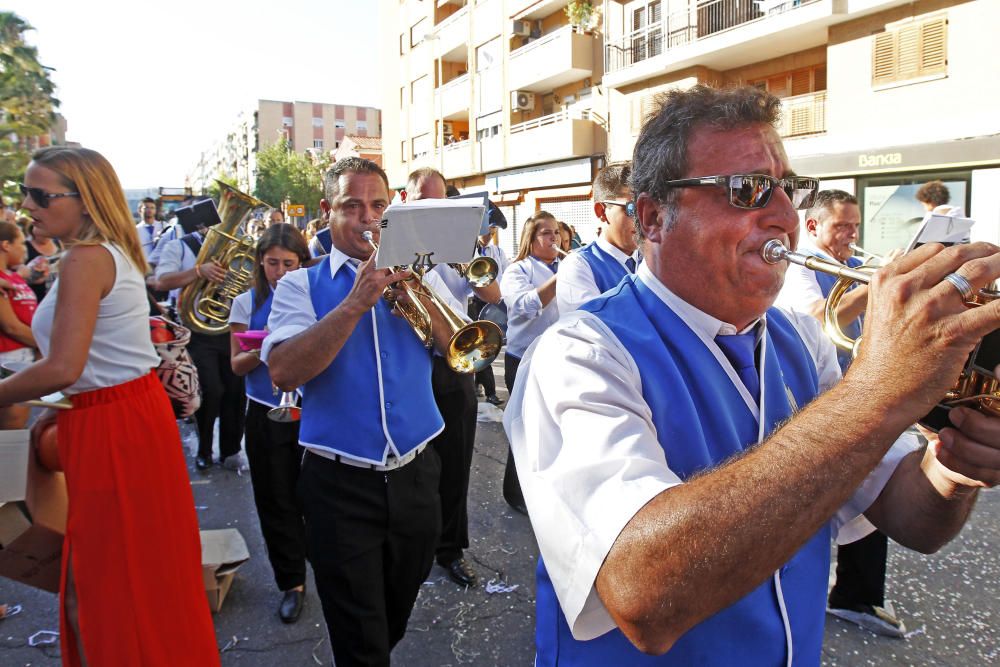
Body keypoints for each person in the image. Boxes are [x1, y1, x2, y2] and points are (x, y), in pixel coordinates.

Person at [504, 85, 1000, 665]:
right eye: (747, 191)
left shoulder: (801, 338)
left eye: (787, 188)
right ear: (653, 217)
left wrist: (959, 457)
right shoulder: (578, 351)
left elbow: (912, 517)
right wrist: (880, 388)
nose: (787, 216)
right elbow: (643, 597)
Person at [9, 146, 218, 665]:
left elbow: (63, 368)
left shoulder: (87, 258)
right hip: (118, 417)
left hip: (112, 424)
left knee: (109, 588)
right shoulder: (105, 252)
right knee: (119, 582)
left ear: (84, 199)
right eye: (24, 192)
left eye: (39, 194)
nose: (27, 205)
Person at [264, 157, 458, 666]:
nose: (367, 218)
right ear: (328, 212)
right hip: (339, 486)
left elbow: (457, 353)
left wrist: (415, 290)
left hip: (417, 475)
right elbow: (283, 371)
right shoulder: (299, 286)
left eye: (377, 206)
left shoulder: (416, 272)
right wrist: (355, 302)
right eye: (352, 207)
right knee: (363, 643)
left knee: (392, 614)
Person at [776, 189, 908, 637]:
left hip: (860, 386)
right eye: (842, 226)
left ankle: (857, 593)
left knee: (873, 489)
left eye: (855, 225)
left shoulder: (854, 265)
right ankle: (845, 593)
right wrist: (878, 285)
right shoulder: (800, 263)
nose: (852, 235)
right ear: (812, 227)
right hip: (820, 393)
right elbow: (816, 318)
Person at [401, 167, 502, 588]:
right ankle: (410, 546)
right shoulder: (395, 241)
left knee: (456, 461)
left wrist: (468, 266)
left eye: (440, 200)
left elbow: (494, 297)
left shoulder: (462, 243)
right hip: (408, 364)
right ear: (406, 200)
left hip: (456, 361)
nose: (432, 208)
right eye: (424, 200)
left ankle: (451, 550)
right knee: (410, 464)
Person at [229, 223, 311, 624]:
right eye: (273, 263)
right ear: (260, 262)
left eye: (289, 263)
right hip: (265, 410)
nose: (280, 272)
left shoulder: (313, 295)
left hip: (311, 409)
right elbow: (236, 363)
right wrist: (269, 344)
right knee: (275, 500)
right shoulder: (246, 302)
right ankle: (291, 581)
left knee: (318, 497)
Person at [154, 201, 245, 471]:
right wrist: (197, 272)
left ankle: (231, 450)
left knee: (235, 392)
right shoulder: (178, 247)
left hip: (229, 327)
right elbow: (161, 281)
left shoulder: (235, 246)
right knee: (211, 390)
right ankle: (205, 448)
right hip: (198, 330)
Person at [499, 211, 562, 514]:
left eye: (557, 233)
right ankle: (515, 492)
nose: (555, 239)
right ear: (532, 239)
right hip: (524, 357)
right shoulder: (517, 271)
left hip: (559, 356)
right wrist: (561, 278)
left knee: (554, 427)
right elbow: (524, 307)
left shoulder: (564, 266)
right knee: (524, 427)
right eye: (547, 233)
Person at [556, 162, 641, 314]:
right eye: (632, 209)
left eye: (646, 207)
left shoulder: (652, 259)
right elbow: (592, 329)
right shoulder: (579, 266)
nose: (642, 218)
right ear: (601, 211)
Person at [0, 220, 38, 430]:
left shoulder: (12, 277)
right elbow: (10, 326)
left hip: (26, 356)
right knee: (10, 426)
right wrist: (45, 343)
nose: (25, 249)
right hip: (8, 359)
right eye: (22, 243)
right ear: (6, 245)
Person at [22, 221, 62, 302]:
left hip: (56, 293)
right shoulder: (25, 246)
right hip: (36, 295)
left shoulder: (58, 243)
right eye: (43, 234)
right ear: (34, 231)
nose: (47, 237)